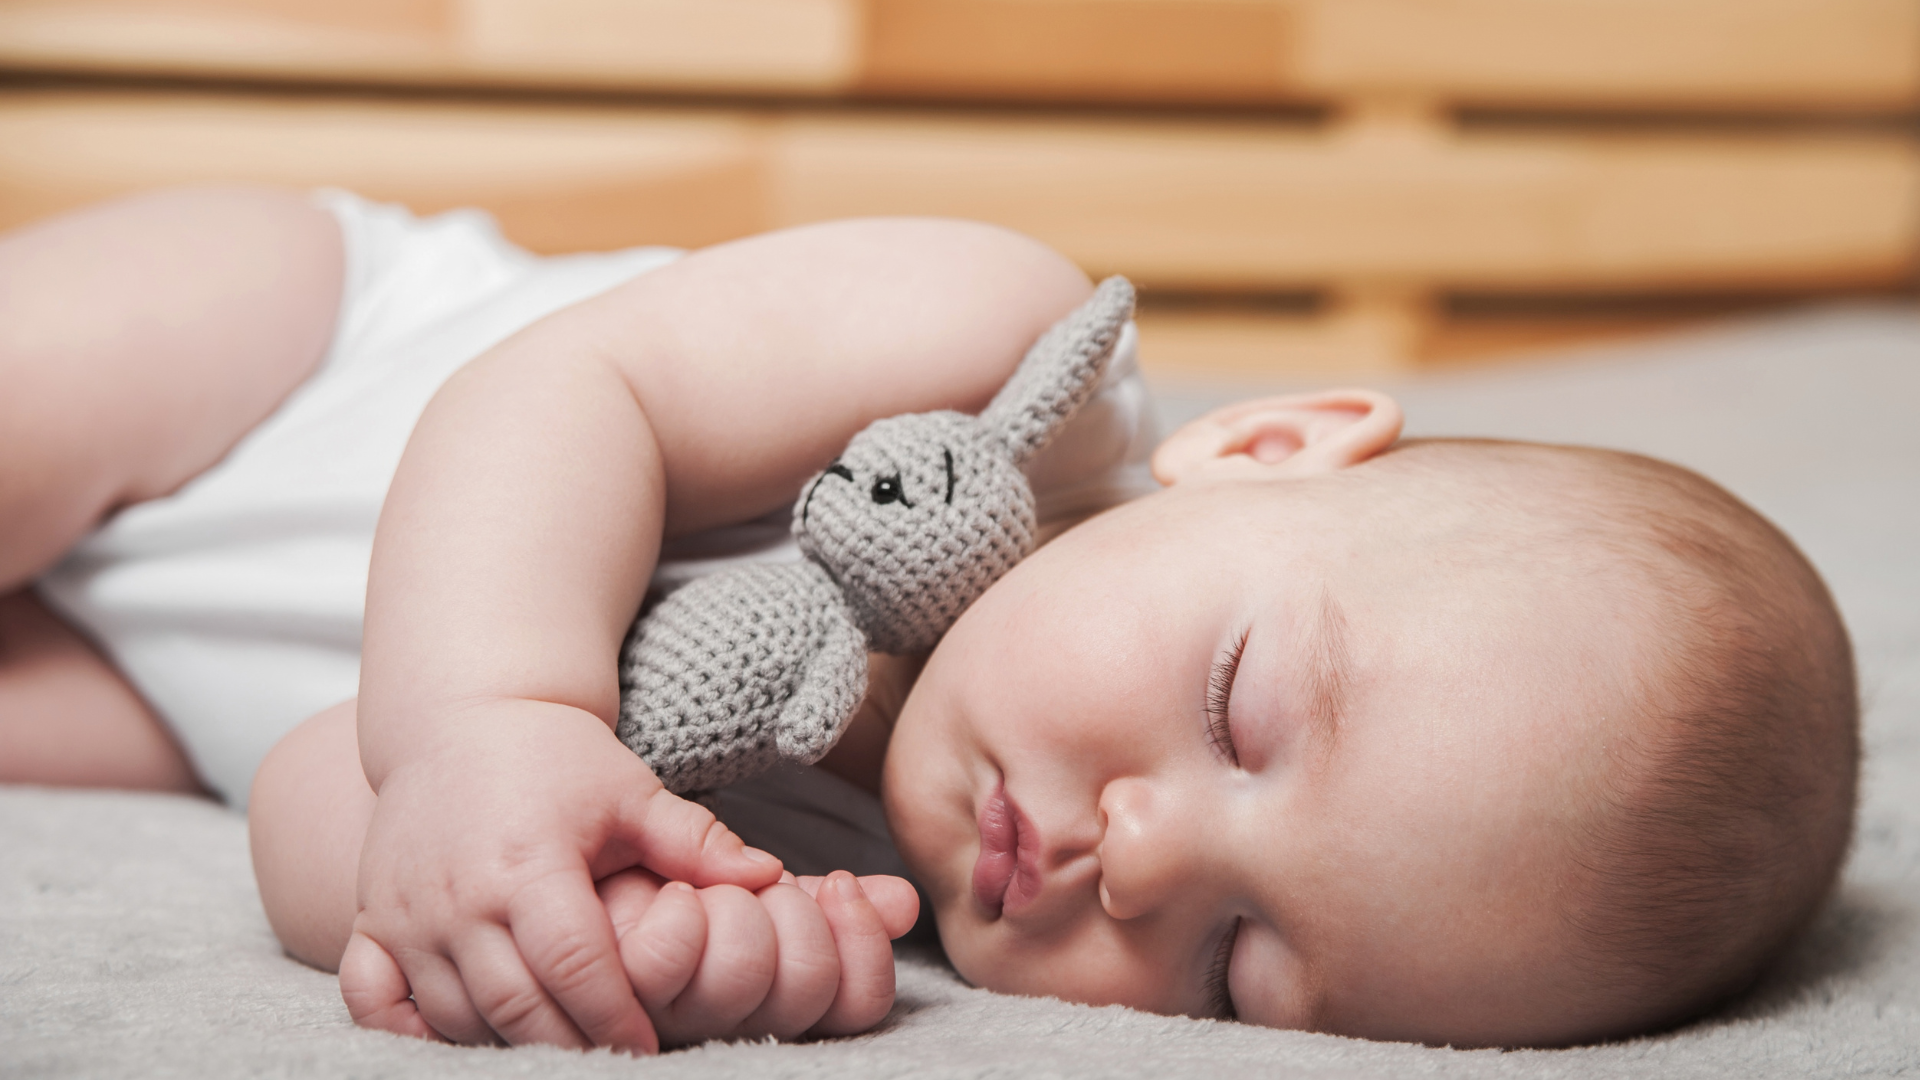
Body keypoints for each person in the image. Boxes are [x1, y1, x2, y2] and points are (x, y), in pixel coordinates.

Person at [0, 186, 1857, 1053]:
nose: (1138, 862)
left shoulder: (844, 907)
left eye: (1232, 964)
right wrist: (495, 714)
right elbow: (572, 390)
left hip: (193, 694)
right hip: (279, 368)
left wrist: (574, 930)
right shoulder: (987, 343)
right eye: (1238, 709)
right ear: (1266, 447)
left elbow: (326, 799)